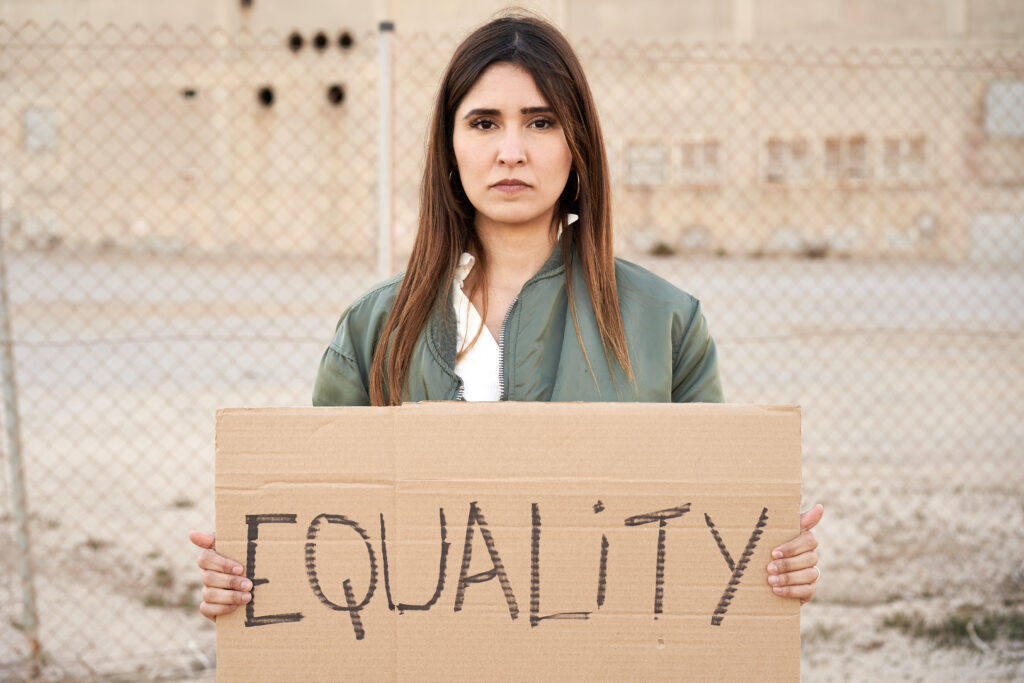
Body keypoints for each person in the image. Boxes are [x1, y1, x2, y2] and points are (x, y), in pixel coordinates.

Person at [190, 12, 821, 621]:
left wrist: (772, 565)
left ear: (579, 144)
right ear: (450, 145)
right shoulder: (372, 328)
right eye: (485, 123)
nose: (512, 152)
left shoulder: (666, 323)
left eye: (541, 122)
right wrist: (247, 576)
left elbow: (714, 530)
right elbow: (315, 529)